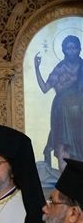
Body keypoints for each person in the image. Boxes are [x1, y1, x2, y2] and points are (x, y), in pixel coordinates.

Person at [34, 35, 83, 169]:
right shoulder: (60, 68)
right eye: (68, 48)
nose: (71, 51)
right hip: (62, 113)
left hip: (79, 115)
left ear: (79, 49)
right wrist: (37, 68)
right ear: (63, 50)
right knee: (63, 144)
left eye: (74, 48)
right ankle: (65, 178)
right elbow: (45, 88)